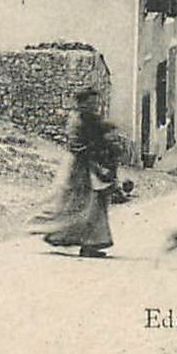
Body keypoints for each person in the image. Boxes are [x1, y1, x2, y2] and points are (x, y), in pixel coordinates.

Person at [28, 87, 118, 257]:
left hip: (88, 167)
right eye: (90, 103)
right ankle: (56, 233)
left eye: (95, 103)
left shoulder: (88, 118)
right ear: (81, 103)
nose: (94, 106)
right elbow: (78, 145)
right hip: (78, 168)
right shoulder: (77, 120)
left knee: (92, 206)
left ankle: (90, 243)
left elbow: (99, 129)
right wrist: (98, 148)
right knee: (75, 205)